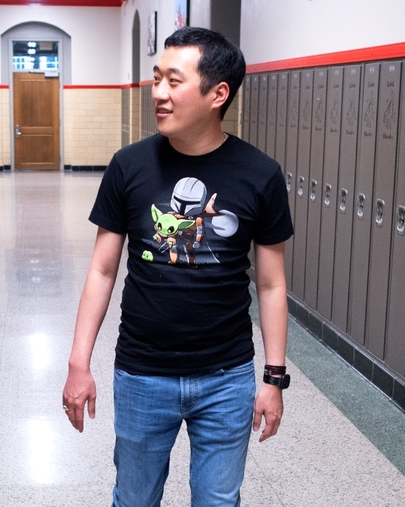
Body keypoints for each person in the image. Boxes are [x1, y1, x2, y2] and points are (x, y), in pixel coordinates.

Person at [61, 27, 294, 506]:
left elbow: (271, 285)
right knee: (134, 499)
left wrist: (273, 380)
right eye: (156, 79)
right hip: (143, 373)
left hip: (226, 377)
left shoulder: (260, 174)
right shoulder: (129, 165)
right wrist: (78, 363)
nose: (159, 94)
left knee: (218, 501)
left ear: (218, 94)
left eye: (174, 81)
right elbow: (103, 271)